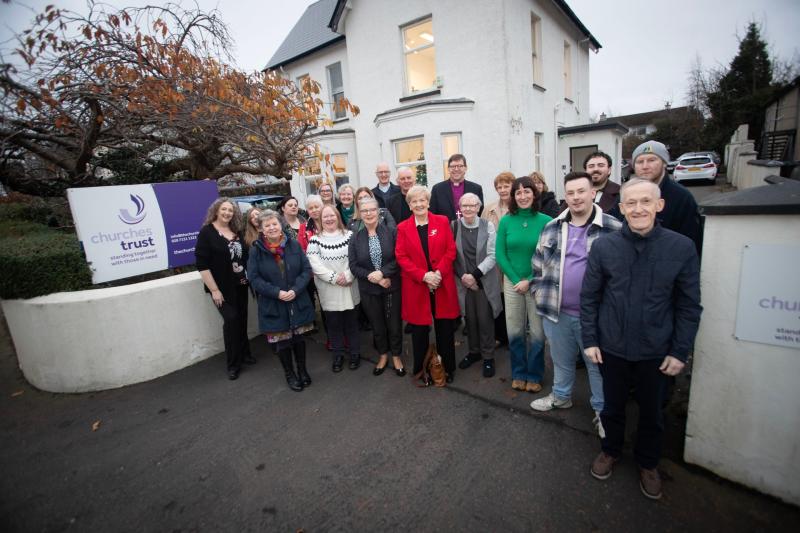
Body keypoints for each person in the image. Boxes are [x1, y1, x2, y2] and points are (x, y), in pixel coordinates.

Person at [582, 178, 702, 500]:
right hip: (612, 347)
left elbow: (689, 305)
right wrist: (590, 339)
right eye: (630, 203)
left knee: (652, 413)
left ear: (659, 205)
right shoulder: (604, 247)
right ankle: (611, 450)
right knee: (612, 407)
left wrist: (680, 351)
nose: (638, 209)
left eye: (645, 202)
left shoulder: (681, 247)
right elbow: (590, 297)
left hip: (656, 351)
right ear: (621, 209)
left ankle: (648, 463)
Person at [530, 172, 622, 438]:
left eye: (581, 191)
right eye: (570, 193)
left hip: (596, 317)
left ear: (593, 193)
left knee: (597, 366)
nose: (576, 197)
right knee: (561, 360)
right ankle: (561, 397)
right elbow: (538, 264)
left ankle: (602, 411)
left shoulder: (613, 228)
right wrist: (538, 292)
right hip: (556, 313)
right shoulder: (552, 227)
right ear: (565, 196)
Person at [395, 185, 459, 384]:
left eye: (422, 200)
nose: (419, 204)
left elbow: (451, 250)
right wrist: (424, 276)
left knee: (445, 329)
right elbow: (401, 256)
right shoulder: (403, 227)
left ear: (428, 202)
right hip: (417, 285)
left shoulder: (441, 221)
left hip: (441, 282)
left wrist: (437, 273)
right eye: (414, 201)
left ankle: (448, 368)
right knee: (419, 332)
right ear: (410, 205)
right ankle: (421, 371)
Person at [495, 176, 552, 392]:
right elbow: (500, 253)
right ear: (513, 197)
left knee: (537, 333)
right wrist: (516, 279)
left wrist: (529, 280)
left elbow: (549, 256)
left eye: (526, 191)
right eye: (518, 192)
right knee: (515, 330)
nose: (522, 196)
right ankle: (519, 372)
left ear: (534, 194)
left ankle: (535, 374)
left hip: (537, 282)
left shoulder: (546, 221)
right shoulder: (507, 220)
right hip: (512, 283)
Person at [248, 210, 315, 392]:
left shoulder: (293, 245)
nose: (271, 228)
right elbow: (254, 279)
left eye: (274, 224)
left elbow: (306, 270)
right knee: (282, 341)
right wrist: (277, 292)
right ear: (261, 229)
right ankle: (290, 374)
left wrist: (295, 289)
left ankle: (302, 370)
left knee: (299, 338)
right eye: (267, 225)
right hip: (274, 303)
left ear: (280, 225)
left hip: (297, 300)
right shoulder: (256, 251)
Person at [195, 198, 253, 380]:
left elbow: (244, 256)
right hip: (222, 289)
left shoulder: (236, 231)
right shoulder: (207, 232)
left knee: (242, 319)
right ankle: (233, 364)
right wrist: (214, 290)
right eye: (224, 209)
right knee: (231, 321)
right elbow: (202, 265)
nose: (227, 213)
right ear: (216, 211)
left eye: (231, 210)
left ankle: (245, 354)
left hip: (241, 284)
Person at [348, 197, 406, 377]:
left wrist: (383, 273)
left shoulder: (391, 231)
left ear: (378, 211)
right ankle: (383, 355)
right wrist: (373, 277)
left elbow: (399, 257)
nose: (368, 214)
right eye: (364, 211)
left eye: (372, 210)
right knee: (377, 325)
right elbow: (354, 265)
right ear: (360, 214)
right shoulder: (355, 237)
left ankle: (396, 355)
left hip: (391, 285)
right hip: (369, 289)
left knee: (394, 324)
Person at [453, 193, 502, 378]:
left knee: (485, 319)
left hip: (483, 281)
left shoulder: (487, 225)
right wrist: (464, 278)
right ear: (460, 207)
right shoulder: (454, 226)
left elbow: (492, 255)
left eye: (472, 205)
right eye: (464, 205)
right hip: (463, 281)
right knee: (469, 318)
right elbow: (451, 255)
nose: (468, 209)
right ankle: (474, 352)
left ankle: (488, 357)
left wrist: (474, 277)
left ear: (478, 207)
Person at [306, 204, 361, 372]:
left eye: (332, 216)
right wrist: (335, 278)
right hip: (329, 289)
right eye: (325, 217)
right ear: (320, 220)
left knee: (351, 323)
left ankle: (355, 353)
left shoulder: (351, 236)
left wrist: (349, 275)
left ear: (338, 217)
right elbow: (315, 265)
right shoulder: (315, 240)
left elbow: (358, 258)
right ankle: (337, 355)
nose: (329, 219)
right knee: (334, 325)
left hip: (350, 286)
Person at [631, 140, 703, 256]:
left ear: (664, 163)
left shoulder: (682, 197)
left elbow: (692, 242)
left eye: (651, 160)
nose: (645, 166)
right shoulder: (626, 194)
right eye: (640, 162)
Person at [481, 171, 515, 346]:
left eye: (506, 186)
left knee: (513, 300)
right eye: (499, 187)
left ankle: (513, 337)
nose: (502, 190)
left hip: (512, 261)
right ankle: (500, 335)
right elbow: (482, 233)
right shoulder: (489, 209)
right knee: (497, 297)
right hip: (494, 261)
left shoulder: (519, 208)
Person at [430, 154, 484, 221]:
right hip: (446, 229)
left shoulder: (476, 189)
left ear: (465, 168)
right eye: (453, 166)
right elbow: (433, 214)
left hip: (470, 229)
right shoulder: (437, 189)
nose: (456, 169)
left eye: (460, 166)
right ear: (448, 169)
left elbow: (480, 213)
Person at [584, 151, 621, 219]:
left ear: (609, 170)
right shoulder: (576, 193)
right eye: (591, 166)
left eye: (601, 165)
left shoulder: (621, 193)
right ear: (586, 171)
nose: (595, 169)